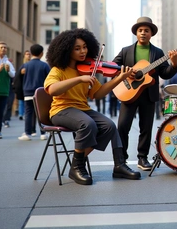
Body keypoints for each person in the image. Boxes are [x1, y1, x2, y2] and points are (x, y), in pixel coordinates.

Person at [44, 28, 141, 185]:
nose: (83, 51)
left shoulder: (88, 68)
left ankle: (119, 165)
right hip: (61, 110)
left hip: (82, 109)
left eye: (84, 47)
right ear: (66, 50)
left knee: (110, 126)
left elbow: (97, 94)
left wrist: (120, 78)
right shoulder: (58, 70)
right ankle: (77, 167)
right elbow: (52, 89)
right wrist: (79, 79)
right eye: (77, 48)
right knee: (87, 124)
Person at [113, 17, 177, 171]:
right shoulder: (126, 51)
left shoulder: (158, 52)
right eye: (140, 30)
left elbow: (165, 74)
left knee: (146, 127)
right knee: (122, 126)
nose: (143, 33)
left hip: (148, 94)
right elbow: (113, 67)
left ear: (151, 34)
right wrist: (126, 73)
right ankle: (121, 159)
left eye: (146, 30)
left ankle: (142, 158)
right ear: (136, 33)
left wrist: (174, 64)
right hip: (128, 93)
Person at [18, 44, 51, 141]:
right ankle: (43, 133)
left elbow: (18, 78)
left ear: (31, 53)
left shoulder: (25, 65)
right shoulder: (44, 65)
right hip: (40, 93)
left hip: (27, 92)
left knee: (28, 112)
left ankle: (27, 133)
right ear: (41, 53)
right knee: (41, 113)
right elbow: (49, 79)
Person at [0, 42, 16, 139]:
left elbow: (13, 75)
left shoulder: (8, 62)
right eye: (1, 47)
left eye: (5, 47)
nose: (3, 49)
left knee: (0, 113)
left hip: (4, 92)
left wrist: (9, 70)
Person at [13, 50, 31, 121]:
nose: (28, 56)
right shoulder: (22, 66)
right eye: (27, 54)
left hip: (29, 86)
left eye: (29, 54)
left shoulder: (31, 64)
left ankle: (25, 114)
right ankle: (21, 114)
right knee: (21, 101)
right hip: (22, 86)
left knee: (27, 102)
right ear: (24, 56)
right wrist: (20, 73)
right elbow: (17, 76)